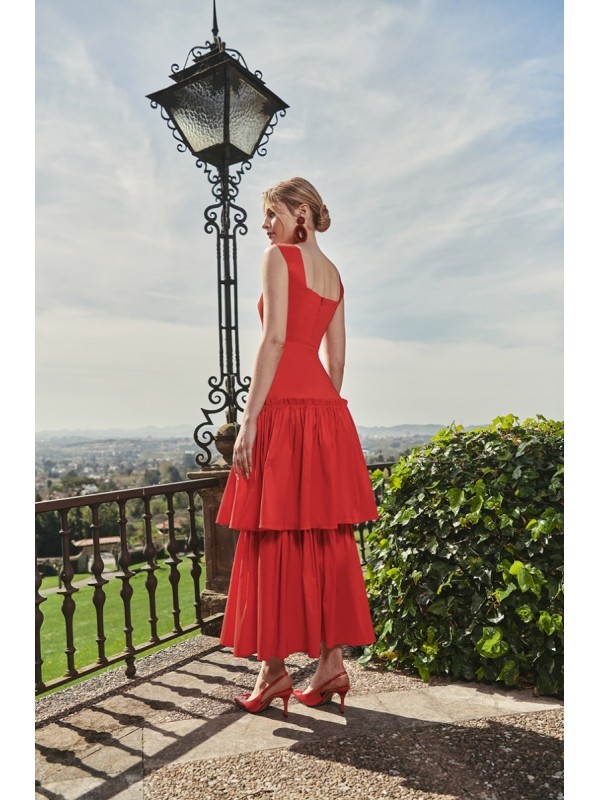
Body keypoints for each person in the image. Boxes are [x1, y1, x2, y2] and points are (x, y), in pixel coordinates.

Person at [215, 177, 378, 717]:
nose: (265, 224)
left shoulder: (278, 257)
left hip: (282, 408)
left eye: (271, 212)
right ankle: (330, 665)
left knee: (272, 540)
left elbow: (276, 339)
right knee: (324, 539)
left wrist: (249, 419)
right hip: (324, 414)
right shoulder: (334, 275)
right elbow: (337, 357)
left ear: (300, 210)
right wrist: (324, 416)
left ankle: (272, 671)